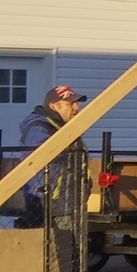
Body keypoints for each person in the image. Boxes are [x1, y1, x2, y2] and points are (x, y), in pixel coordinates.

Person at [16, 85, 87, 229]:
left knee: (70, 241)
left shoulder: (62, 128)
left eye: (77, 103)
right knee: (54, 241)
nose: (76, 108)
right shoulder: (39, 127)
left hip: (67, 201)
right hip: (46, 202)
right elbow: (40, 153)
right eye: (70, 104)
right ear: (53, 106)